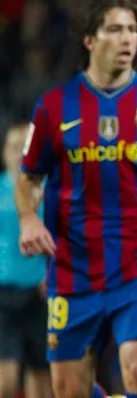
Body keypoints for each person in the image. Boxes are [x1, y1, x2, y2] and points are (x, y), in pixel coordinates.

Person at [16, 0, 137, 398]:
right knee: (69, 388)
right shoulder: (54, 107)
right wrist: (27, 217)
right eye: (115, 29)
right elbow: (28, 177)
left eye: (132, 29)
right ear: (89, 39)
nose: (128, 38)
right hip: (73, 265)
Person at [0, 123, 49, 398]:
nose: (20, 154)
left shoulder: (45, 191)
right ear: (5, 152)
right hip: (4, 294)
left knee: (40, 375)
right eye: (14, 147)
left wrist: (52, 272)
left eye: (25, 147)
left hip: (38, 293)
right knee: (5, 379)